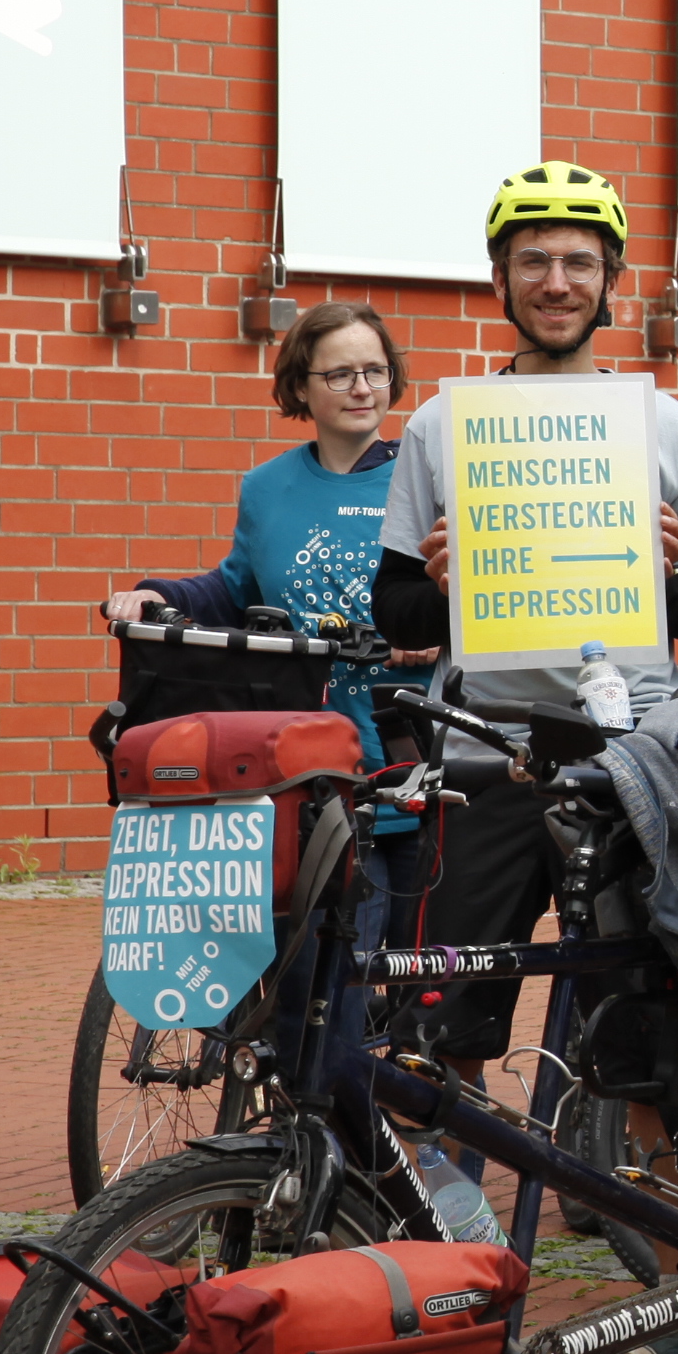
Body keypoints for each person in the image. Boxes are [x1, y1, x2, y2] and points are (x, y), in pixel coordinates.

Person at [372, 163, 678, 1016]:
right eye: (533, 260)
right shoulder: (441, 425)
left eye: (581, 262)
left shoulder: (665, 424)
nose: (556, 282)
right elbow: (393, 607)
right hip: (484, 754)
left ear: (612, 280)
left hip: (629, 755)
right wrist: (439, 590)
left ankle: (627, 1152)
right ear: (498, 278)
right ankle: (440, 1156)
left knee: (637, 1024)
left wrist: (664, 577)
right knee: (441, 1025)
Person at [105, 302, 427, 946]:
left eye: (375, 370)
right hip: (302, 761)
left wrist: (442, 628)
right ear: (301, 385)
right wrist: (152, 594)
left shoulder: (424, 480)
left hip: (406, 757)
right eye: (340, 374)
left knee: (408, 978)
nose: (362, 388)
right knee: (309, 975)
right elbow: (234, 587)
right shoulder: (266, 487)